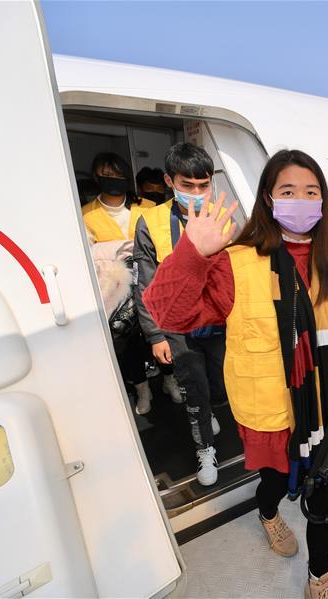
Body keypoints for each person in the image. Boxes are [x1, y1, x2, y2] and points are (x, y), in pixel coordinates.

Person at [144, 149, 328, 599]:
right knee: (273, 483)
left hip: (326, 408)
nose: (301, 201)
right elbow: (167, 311)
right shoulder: (236, 260)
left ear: (323, 203)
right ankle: (268, 515)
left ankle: (319, 579)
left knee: (325, 498)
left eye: (311, 193)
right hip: (269, 411)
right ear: (269, 199)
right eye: (288, 192)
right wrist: (192, 253)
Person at [133, 143, 226, 485]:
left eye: (204, 185)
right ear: (170, 181)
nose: (197, 193)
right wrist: (155, 335)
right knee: (193, 389)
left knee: (217, 386)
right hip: (177, 328)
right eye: (188, 185)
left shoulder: (224, 217)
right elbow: (145, 283)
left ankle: (209, 410)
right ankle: (205, 450)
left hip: (218, 325)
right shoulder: (151, 222)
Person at [80, 153, 174, 413]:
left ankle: (170, 380)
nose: (112, 180)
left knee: (161, 332)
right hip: (116, 289)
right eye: (105, 175)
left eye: (117, 175)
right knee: (131, 342)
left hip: (153, 280)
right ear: (96, 178)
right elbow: (87, 253)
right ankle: (143, 391)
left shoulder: (147, 206)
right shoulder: (86, 214)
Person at [81, 153, 156, 244]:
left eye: (120, 175)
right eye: (108, 175)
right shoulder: (85, 215)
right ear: (96, 177)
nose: (114, 179)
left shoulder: (149, 207)